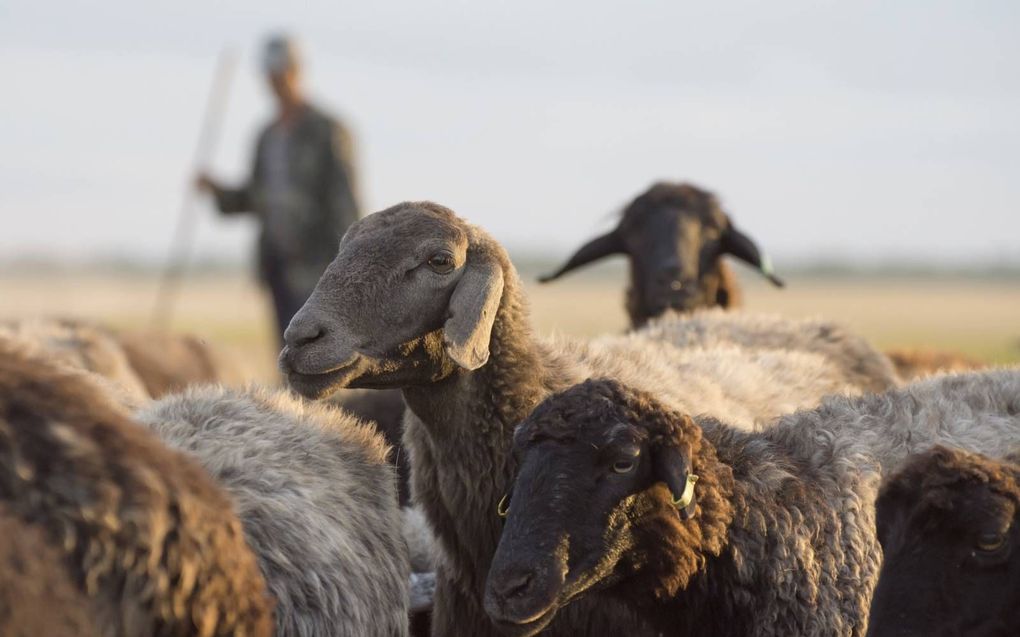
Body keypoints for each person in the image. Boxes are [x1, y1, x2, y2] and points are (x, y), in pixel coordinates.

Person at [197, 35, 360, 344]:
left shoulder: (327, 130)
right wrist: (216, 190)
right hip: (277, 268)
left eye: (283, 72)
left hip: (317, 270)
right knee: (288, 353)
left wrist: (345, 270)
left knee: (321, 355)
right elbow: (254, 198)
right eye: (271, 76)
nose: (277, 82)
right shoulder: (266, 136)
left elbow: (346, 206)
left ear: (298, 71)